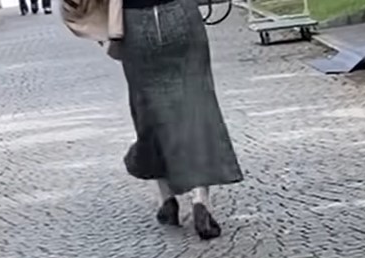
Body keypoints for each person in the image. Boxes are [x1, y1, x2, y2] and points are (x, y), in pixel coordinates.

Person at [61, 0, 242, 241]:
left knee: (150, 111)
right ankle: (201, 200)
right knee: (197, 104)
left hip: (135, 23)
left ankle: (166, 199)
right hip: (181, 16)